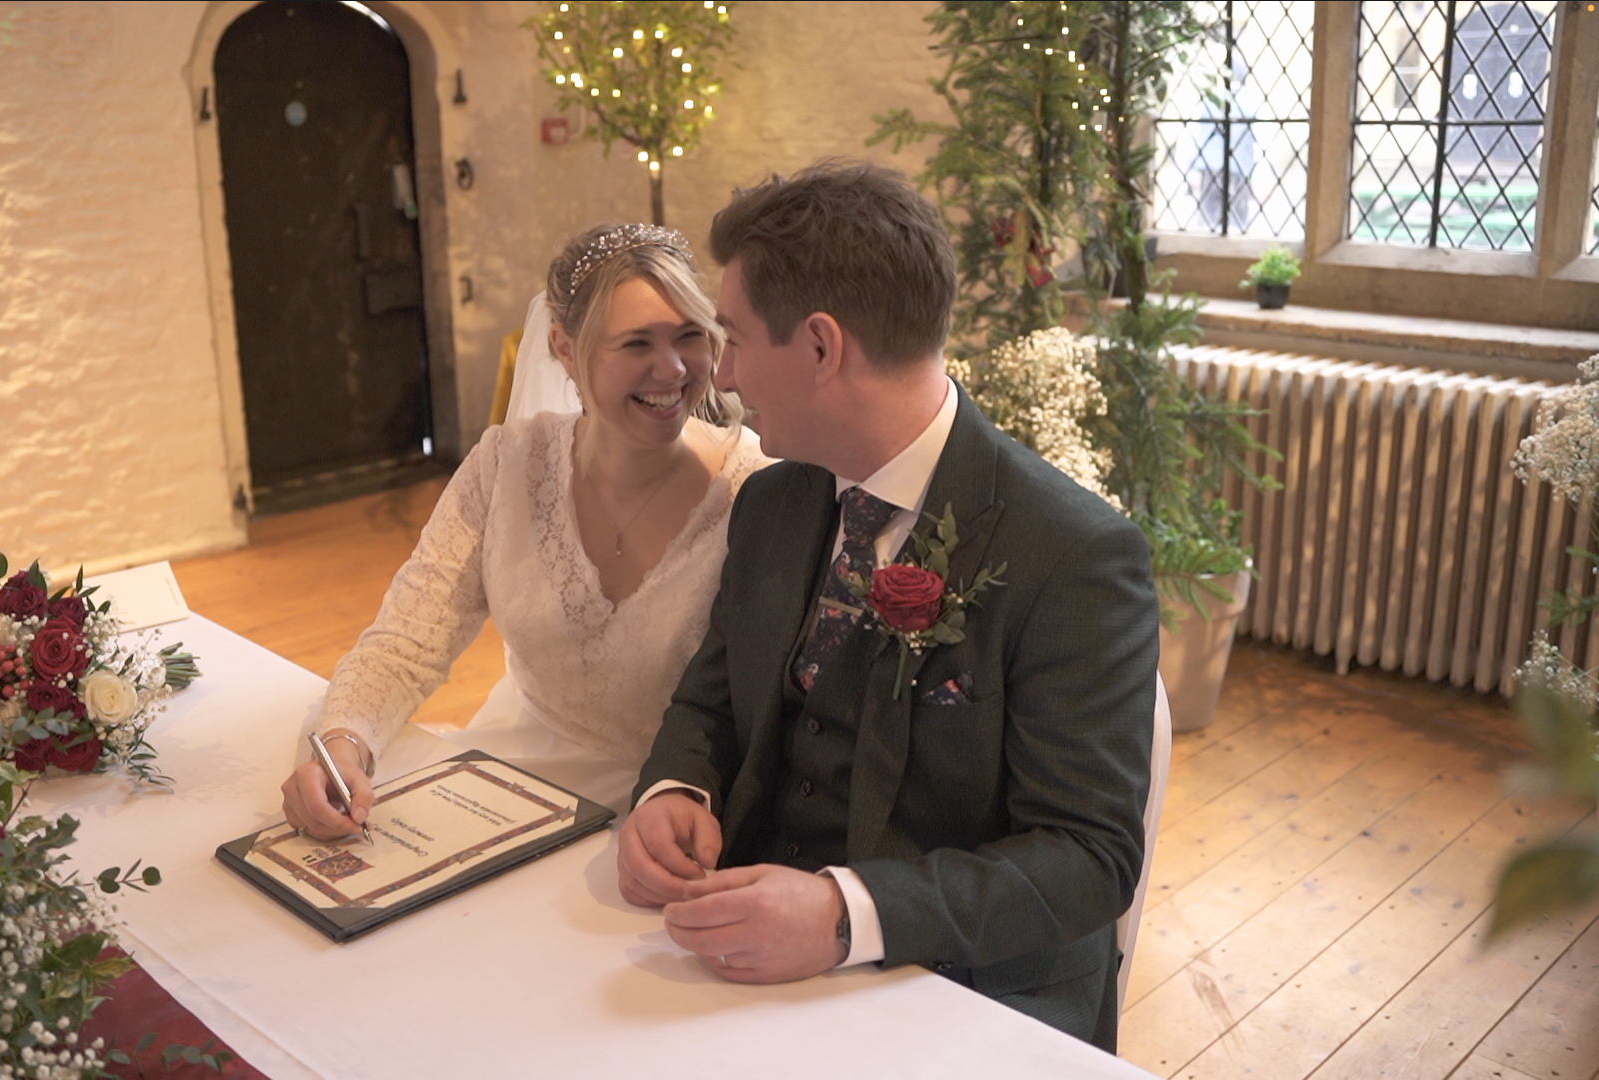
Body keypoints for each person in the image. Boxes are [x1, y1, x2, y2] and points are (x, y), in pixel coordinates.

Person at [615, 161, 1158, 1052]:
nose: (730, 378)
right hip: (737, 957)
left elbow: (1087, 858)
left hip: (959, 991)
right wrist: (675, 789)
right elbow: (712, 697)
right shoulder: (774, 503)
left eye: (738, 340)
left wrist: (842, 913)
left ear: (823, 348)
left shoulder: (1076, 555)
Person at [282, 222, 767, 835]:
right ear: (565, 349)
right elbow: (404, 645)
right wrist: (343, 745)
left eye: (689, 336)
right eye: (637, 344)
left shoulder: (753, 491)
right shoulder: (507, 467)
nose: (671, 369)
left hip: (674, 810)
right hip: (510, 783)